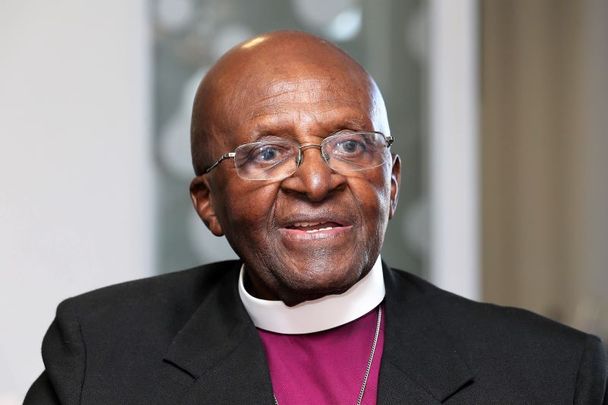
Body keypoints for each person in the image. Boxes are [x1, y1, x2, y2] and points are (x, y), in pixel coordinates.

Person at [25, 31, 606, 404]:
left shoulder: (551, 374)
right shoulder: (99, 356)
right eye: (267, 153)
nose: (316, 180)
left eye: (351, 145)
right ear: (209, 204)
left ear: (392, 182)